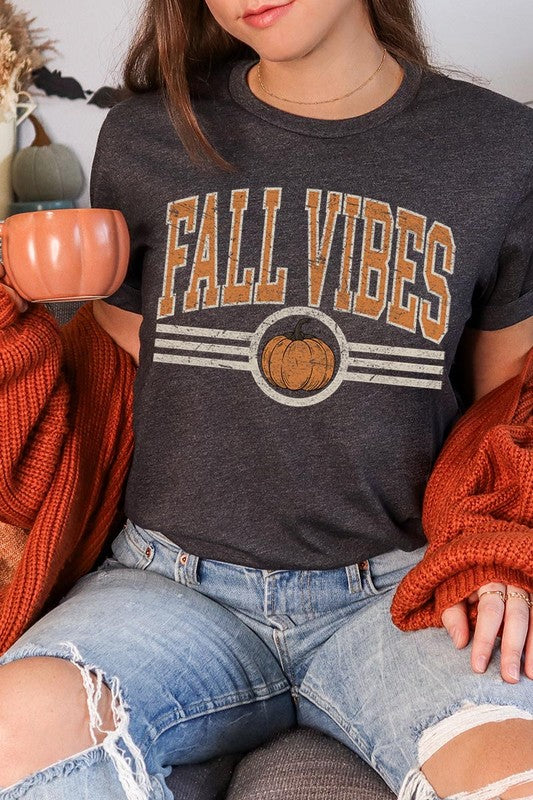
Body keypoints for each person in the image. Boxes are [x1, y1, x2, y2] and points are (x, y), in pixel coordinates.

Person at [0, 1, 532, 798]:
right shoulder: (146, 136)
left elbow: (511, 407)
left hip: (395, 594)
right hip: (167, 587)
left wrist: (498, 545)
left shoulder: (500, 147)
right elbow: (119, 360)